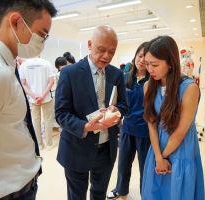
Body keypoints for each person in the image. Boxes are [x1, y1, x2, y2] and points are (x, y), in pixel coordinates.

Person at [0, 0, 57, 199]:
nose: (42, 41)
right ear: (16, 22)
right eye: (42, 34)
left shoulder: (5, 66)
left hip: (22, 185)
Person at [55, 26, 128, 200]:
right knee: (76, 195)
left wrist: (116, 110)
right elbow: (61, 113)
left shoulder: (116, 74)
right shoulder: (69, 73)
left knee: (99, 194)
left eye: (112, 52)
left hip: (106, 147)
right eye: (101, 50)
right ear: (89, 44)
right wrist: (85, 126)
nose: (107, 56)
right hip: (77, 147)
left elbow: (125, 104)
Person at [141, 36, 204, 200]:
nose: (150, 69)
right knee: (155, 192)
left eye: (154, 65)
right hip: (157, 149)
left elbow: (179, 133)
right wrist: (158, 157)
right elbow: (151, 123)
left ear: (170, 61)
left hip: (181, 149)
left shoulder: (189, 88)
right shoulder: (148, 86)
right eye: (147, 64)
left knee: (177, 192)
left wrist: (163, 157)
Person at [107, 42, 151, 199]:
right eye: (140, 56)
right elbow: (119, 103)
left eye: (146, 58)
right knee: (123, 164)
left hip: (146, 132)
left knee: (145, 167)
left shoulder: (153, 82)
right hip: (127, 129)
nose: (141, 60)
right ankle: (121, 190)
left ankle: (145, 194)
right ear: (135, 56)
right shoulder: (125, 78)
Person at [19, 56, 57, 151]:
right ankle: (49, 144)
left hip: (33, 99)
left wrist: (34, 96)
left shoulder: (24, 65)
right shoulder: (46, 63)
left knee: (35, 120)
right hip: (46, 97)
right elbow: (51, 81)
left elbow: (23, 84)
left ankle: (39, 144)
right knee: (47, 120)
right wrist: (43, 96)